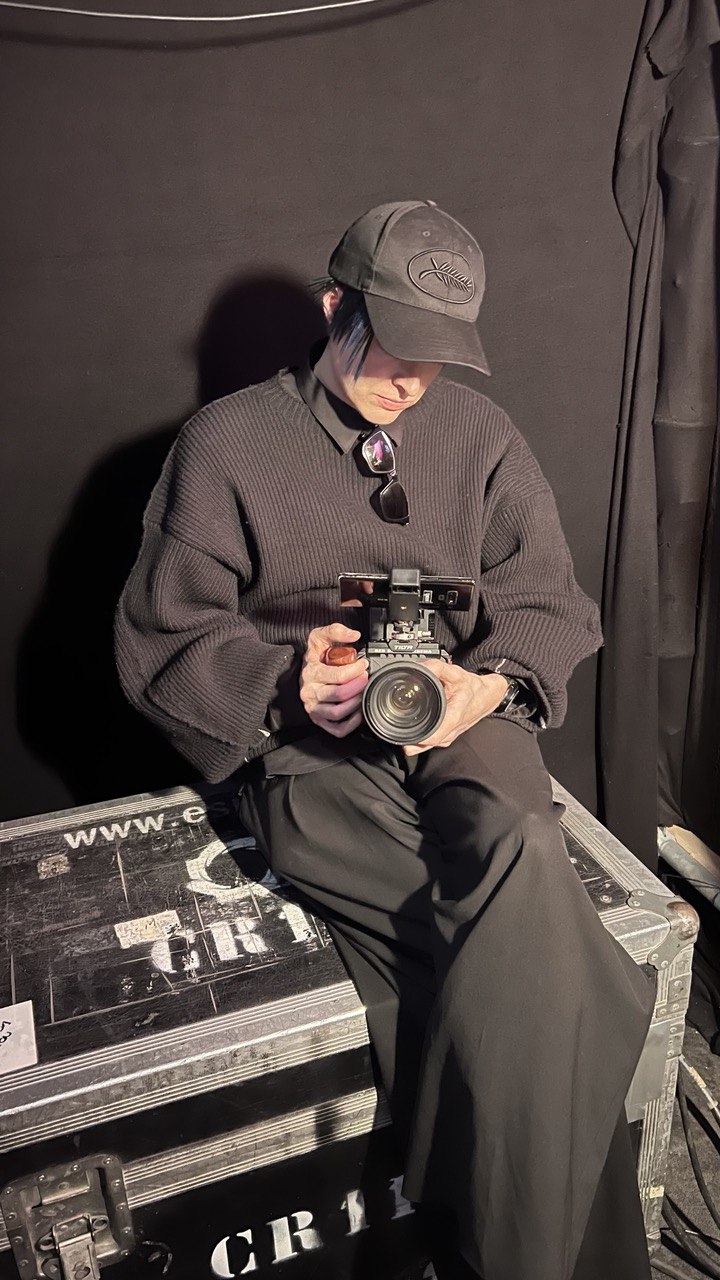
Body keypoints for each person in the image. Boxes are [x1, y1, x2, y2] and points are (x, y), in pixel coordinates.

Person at [115, 200, 656, 1280]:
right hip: (310, 738)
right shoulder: (226, 441)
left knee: (525, 849)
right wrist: (283, 681)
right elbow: (163, 632)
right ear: (335, 306)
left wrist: (487, 683)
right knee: (543, 965)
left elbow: (549, 599)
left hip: (454, 704)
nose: (409, 380)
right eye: (392, 344)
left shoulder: (482, 437)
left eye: (436, 357)